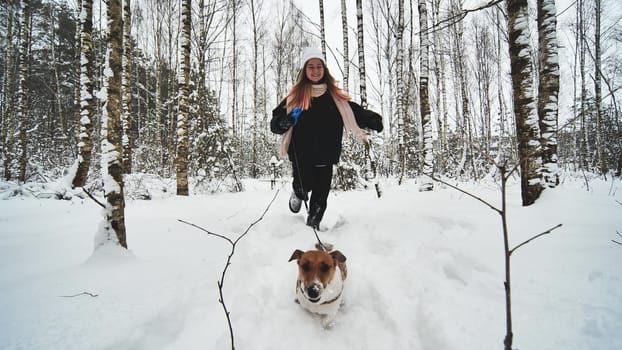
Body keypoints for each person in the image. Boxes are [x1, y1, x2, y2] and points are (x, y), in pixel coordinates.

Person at [270, 47, 383, 230]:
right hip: (302, 156)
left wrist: (372, 120)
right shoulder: (295, 98)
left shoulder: (335, 98)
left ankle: (311, 228)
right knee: (303, 186)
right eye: (311, 67)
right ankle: (298, 194)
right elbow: (274, 123)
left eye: (319, 67)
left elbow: (355, 112)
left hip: (327, 155)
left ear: (324, 70)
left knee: (321, 198)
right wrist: (284, 121)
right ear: (305, 71)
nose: (315, 71)